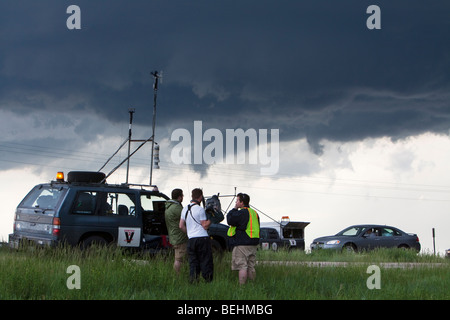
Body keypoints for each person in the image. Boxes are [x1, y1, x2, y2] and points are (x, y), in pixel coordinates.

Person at [179, 188, 214, 283]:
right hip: (202, 238)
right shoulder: (200, 209)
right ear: (200, 197)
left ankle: (193, 281)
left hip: (191, 239)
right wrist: (211, 218)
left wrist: (189, 233)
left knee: (193, 262)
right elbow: (205, 225)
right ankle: (208, 281)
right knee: (205, 260)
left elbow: (181, 226)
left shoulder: (185, 209)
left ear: (192, 196)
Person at [227, 193, 260, 285]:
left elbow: (230, 219)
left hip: (243, 243)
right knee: (251, 266)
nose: (236, 202)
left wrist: (234, 208)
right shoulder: (254, 213)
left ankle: (242, 288)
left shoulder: (242, 212)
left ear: (242, 202)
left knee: (242, 266)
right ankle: (252, 286)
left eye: (237, 200)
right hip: (253, 243)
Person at [165, 188, 188, 275]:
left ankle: (178, 275)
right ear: (179, 197)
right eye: (182, 195)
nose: (183, 197)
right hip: (180, 237)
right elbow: (186, 218)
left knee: (178, 257)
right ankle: (177, 275)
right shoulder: (177, 208)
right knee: (179, 259)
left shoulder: (169, 206)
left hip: (174, 236)